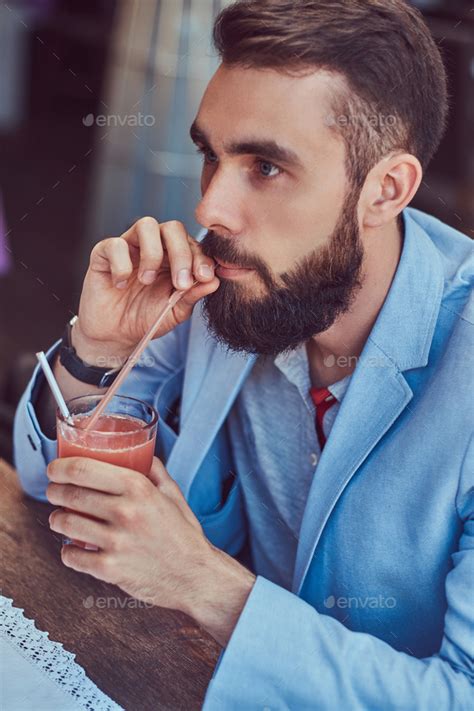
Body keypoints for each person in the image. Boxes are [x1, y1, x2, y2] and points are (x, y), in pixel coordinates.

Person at [14, 1, 473, 708]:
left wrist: (204, 582)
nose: (211, 211)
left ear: (386, 189)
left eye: (265, 165)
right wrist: (100, 350)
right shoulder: (232, 289)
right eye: (211, 155)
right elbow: (66, 499)